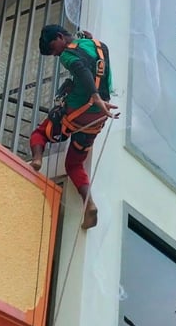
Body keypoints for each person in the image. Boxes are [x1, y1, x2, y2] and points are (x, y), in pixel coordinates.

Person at [30, 24, 118, 229]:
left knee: (40, 134)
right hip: (96, 119)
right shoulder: (98, 45)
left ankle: (36, 159)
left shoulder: (67, 55)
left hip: (79, 111)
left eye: (54, 49)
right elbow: (95, 67)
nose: (55, 54)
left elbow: (81, 69)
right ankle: (90, 204)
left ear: (60, 37)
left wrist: (94, 97)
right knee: (74, 164)